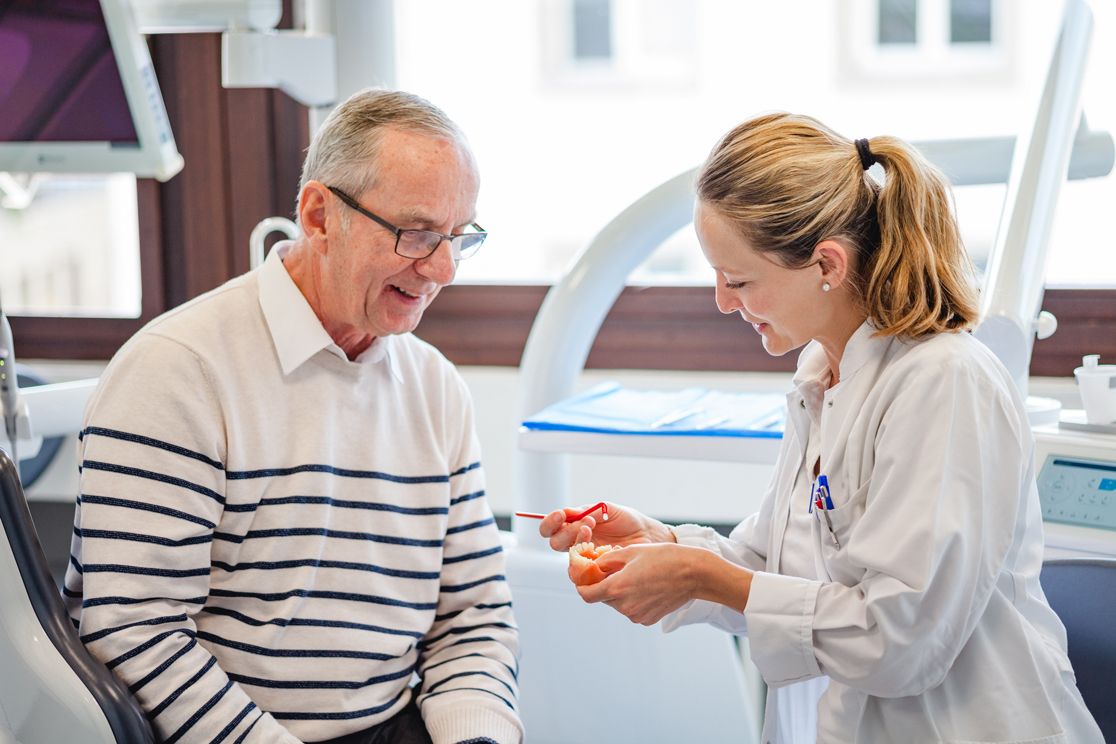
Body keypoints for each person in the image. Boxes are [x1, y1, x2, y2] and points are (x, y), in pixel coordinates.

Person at [540, 113, 1103, 744]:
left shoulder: (945, 383)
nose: (724, 302)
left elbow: (898, 640)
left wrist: (700, 575)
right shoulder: (823, 377)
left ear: (826, 263)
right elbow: (777, 566)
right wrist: (662, 542)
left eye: (739, 279)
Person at [64, 89, 523, 744]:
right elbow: (134, 633)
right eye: (417, 234)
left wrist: (477, 737)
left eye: (458, 237)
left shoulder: (434, 389)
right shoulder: (179, 373)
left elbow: (472, 619)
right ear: (319, 215)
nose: (444, 269)